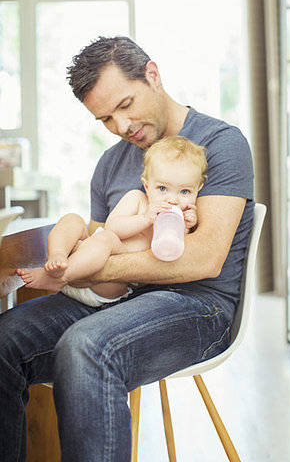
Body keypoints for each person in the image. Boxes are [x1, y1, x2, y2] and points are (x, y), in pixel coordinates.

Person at [0, 35, 254, 462]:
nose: (120, 126)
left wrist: (92, 269)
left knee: (86, 346)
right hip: (116, 301)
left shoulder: (221, 143)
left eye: (125, 105)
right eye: (104, 119)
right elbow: (100, 237)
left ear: (152, 75)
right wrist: (75, 251)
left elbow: (204, 259)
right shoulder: (111, 163)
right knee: (4, 341)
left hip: (198, 307)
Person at [16, 136, 207, 307]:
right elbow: (112, 226)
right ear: (146, 185)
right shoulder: (137, 199)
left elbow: (172, 252)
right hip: (85, 255)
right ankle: (58, 258)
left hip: (109, 285)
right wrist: (145, 218)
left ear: (198, 189)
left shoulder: (181, 217)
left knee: (107, 240)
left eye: (184, 192)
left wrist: (186, 228)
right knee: (73, 219)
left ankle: (60, 278)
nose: (172, 200)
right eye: (163, 188)